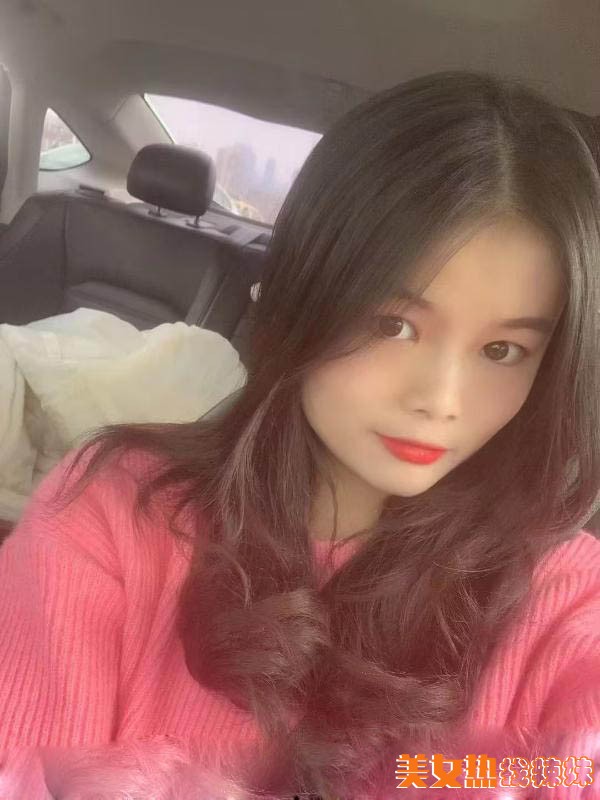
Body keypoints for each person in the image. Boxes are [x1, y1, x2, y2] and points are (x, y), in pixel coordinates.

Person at [1, 70, 600, 800]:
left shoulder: (565, 600)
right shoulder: (114, 515)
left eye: (502, 351)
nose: (441, 401)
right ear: (305, 295)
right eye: (393, 325)